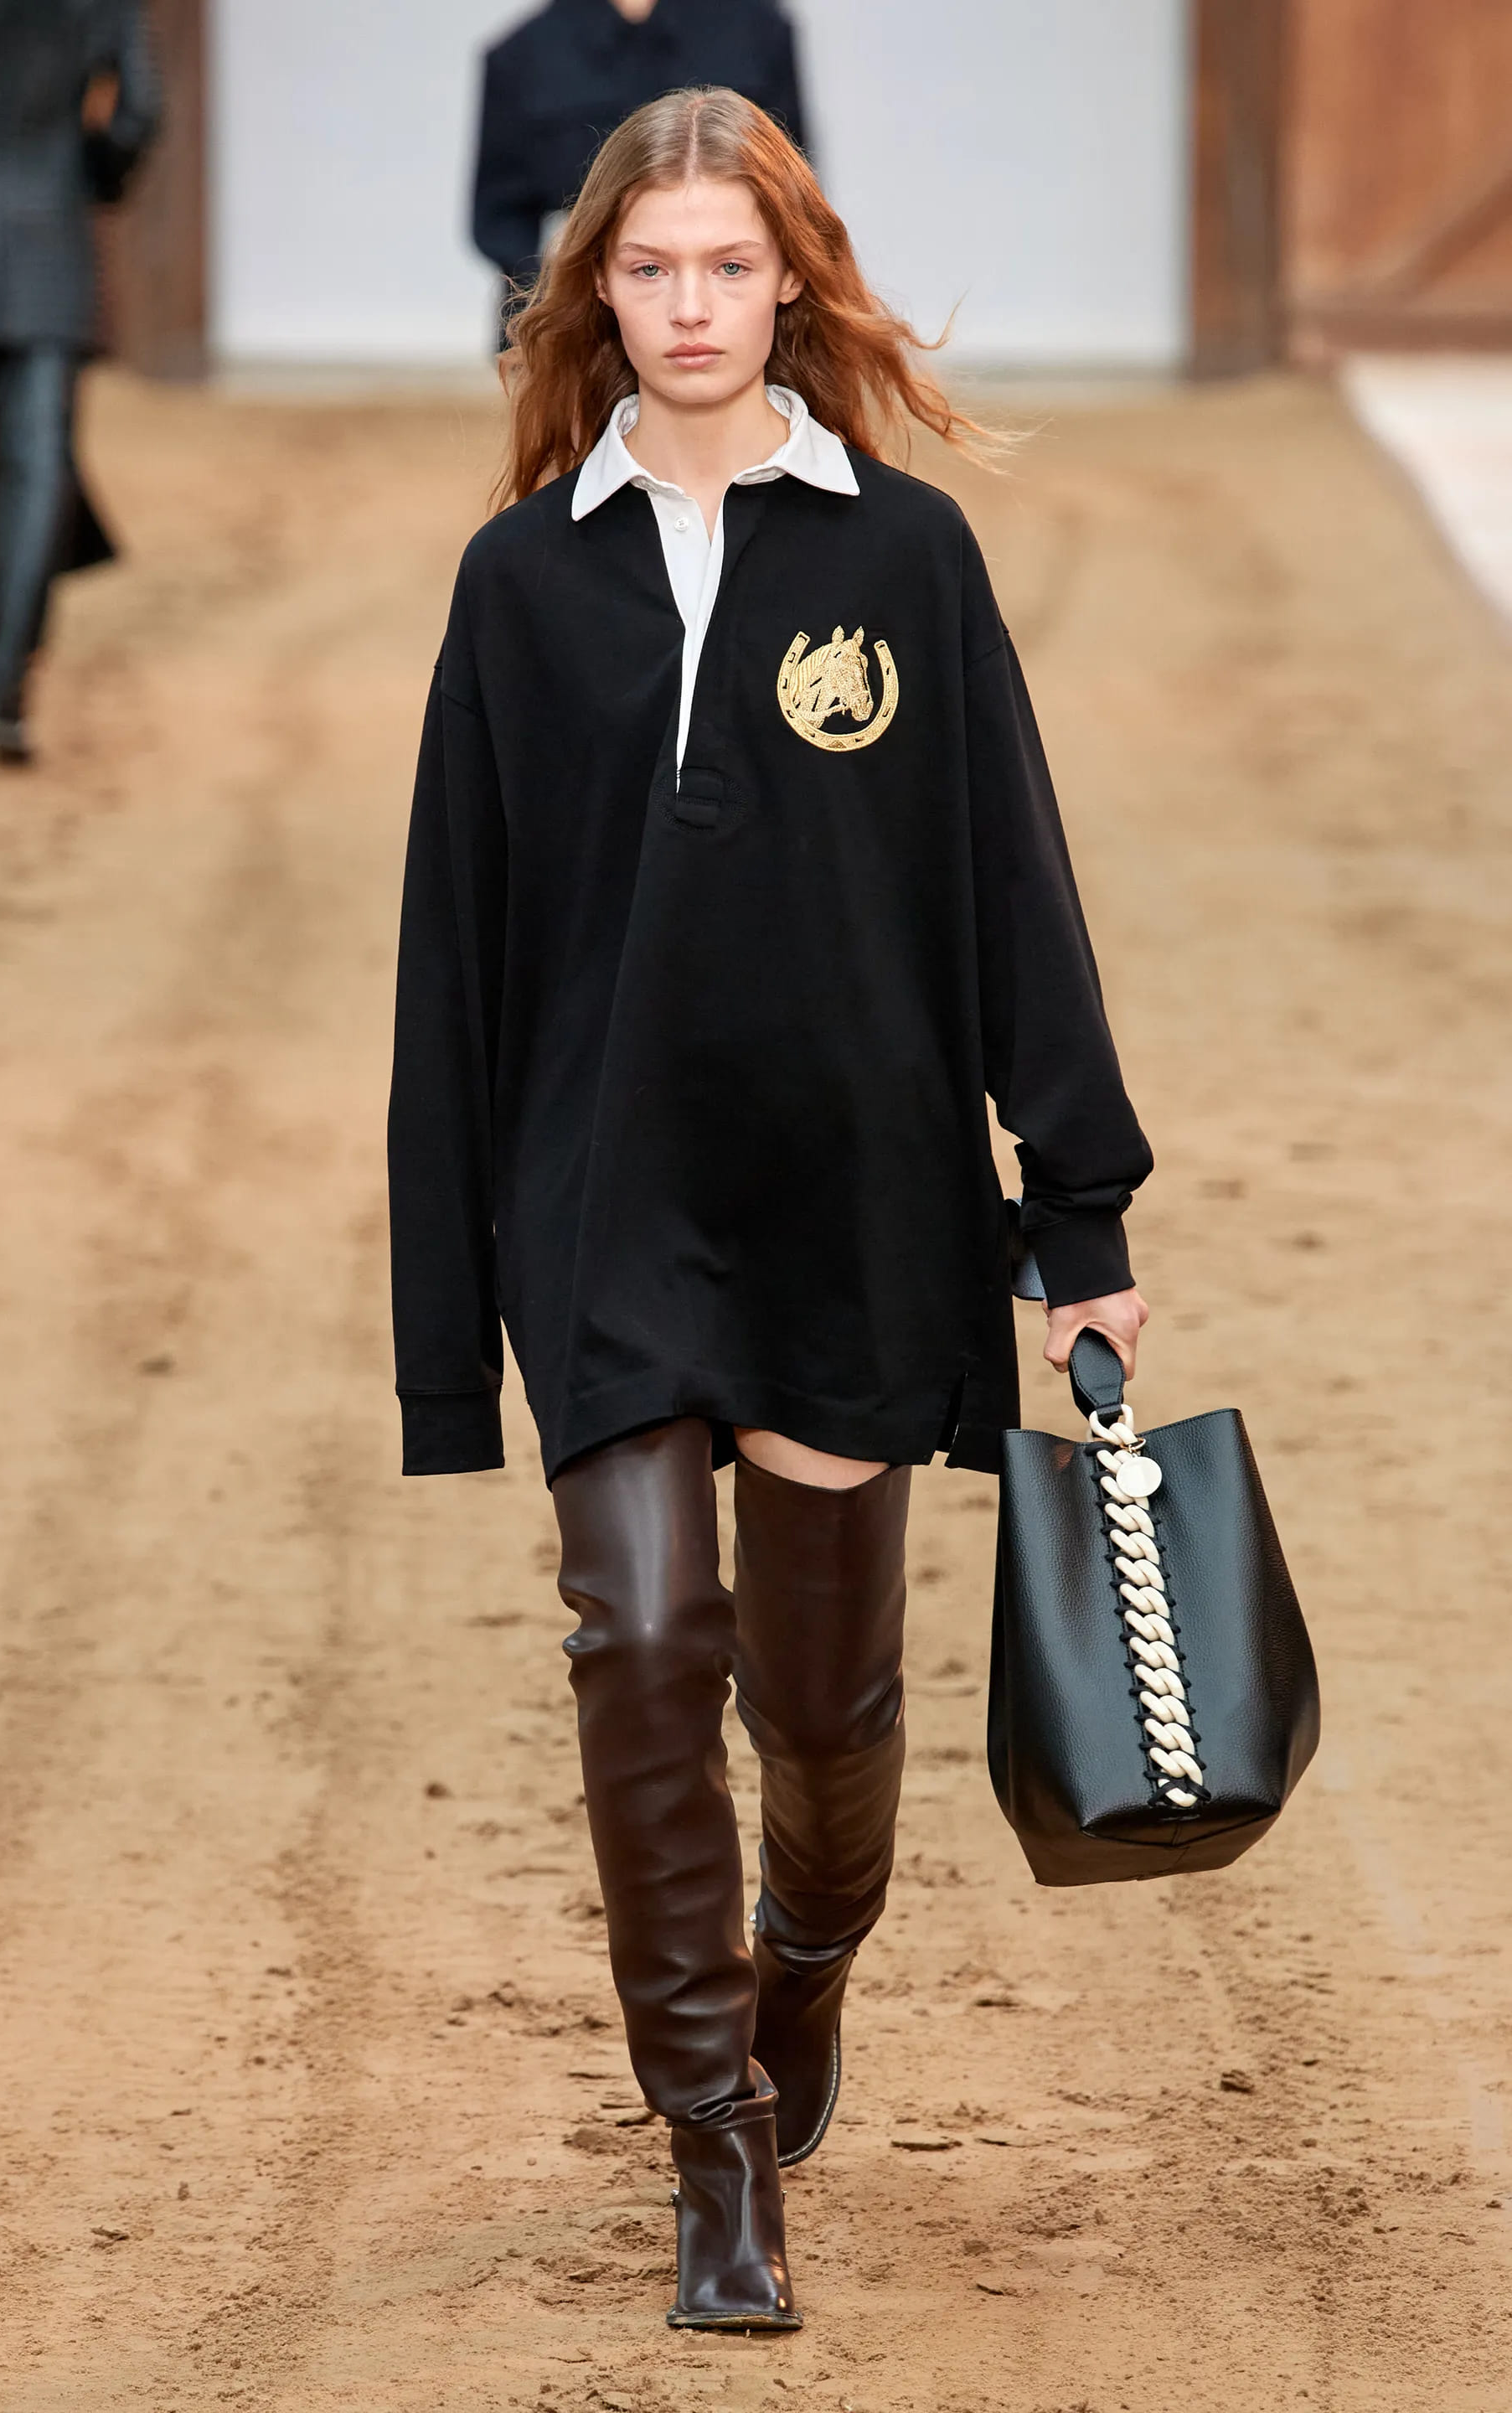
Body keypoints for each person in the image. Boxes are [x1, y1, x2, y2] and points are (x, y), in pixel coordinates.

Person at [390, 89, 1153, 2333]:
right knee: (640, 1637)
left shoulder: (902, 561)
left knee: (821, 1713)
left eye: (731, 266)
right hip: (602, 1196)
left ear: (792, 282)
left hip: (853, 1195)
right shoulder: (522, 584)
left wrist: (1080, 1218)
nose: (692, 306)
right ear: (595, 294)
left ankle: (806, 1952)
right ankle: (714, 2138)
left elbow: (1011, 893)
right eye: (651, 269)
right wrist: (446, 1336)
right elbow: (453, 962)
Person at [0, 0, 161, 764]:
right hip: (54, 240)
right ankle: (11, 664)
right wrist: (92, 173)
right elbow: (140, 112)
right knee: (35, 459)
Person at [472, 0, 804, 342]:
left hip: (726, 311)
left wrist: (733, 265)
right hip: (571, 322)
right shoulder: (521, 54)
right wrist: (570, 280)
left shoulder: (757, 31)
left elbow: (792, 186)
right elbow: (499, 212)